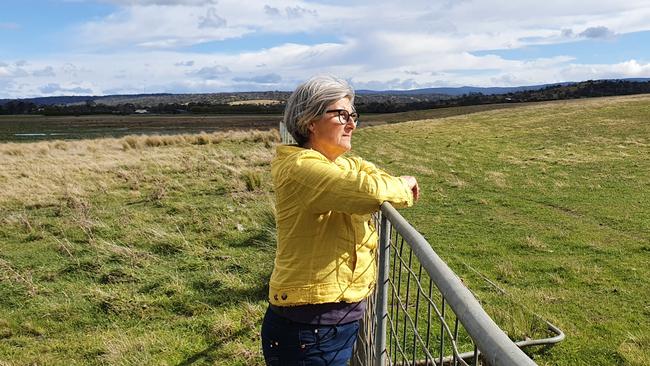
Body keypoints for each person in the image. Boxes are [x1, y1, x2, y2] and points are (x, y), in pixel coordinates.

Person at [261, 75, 420, 365]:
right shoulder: (301, 167)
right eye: (341, 115)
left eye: (354, 116)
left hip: (329, 324)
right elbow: (368, 191)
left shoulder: (340, 163)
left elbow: (376, 177)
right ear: (310, 120)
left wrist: (393, 183)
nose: (352, 124)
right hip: (309, 329)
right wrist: (405, 183)